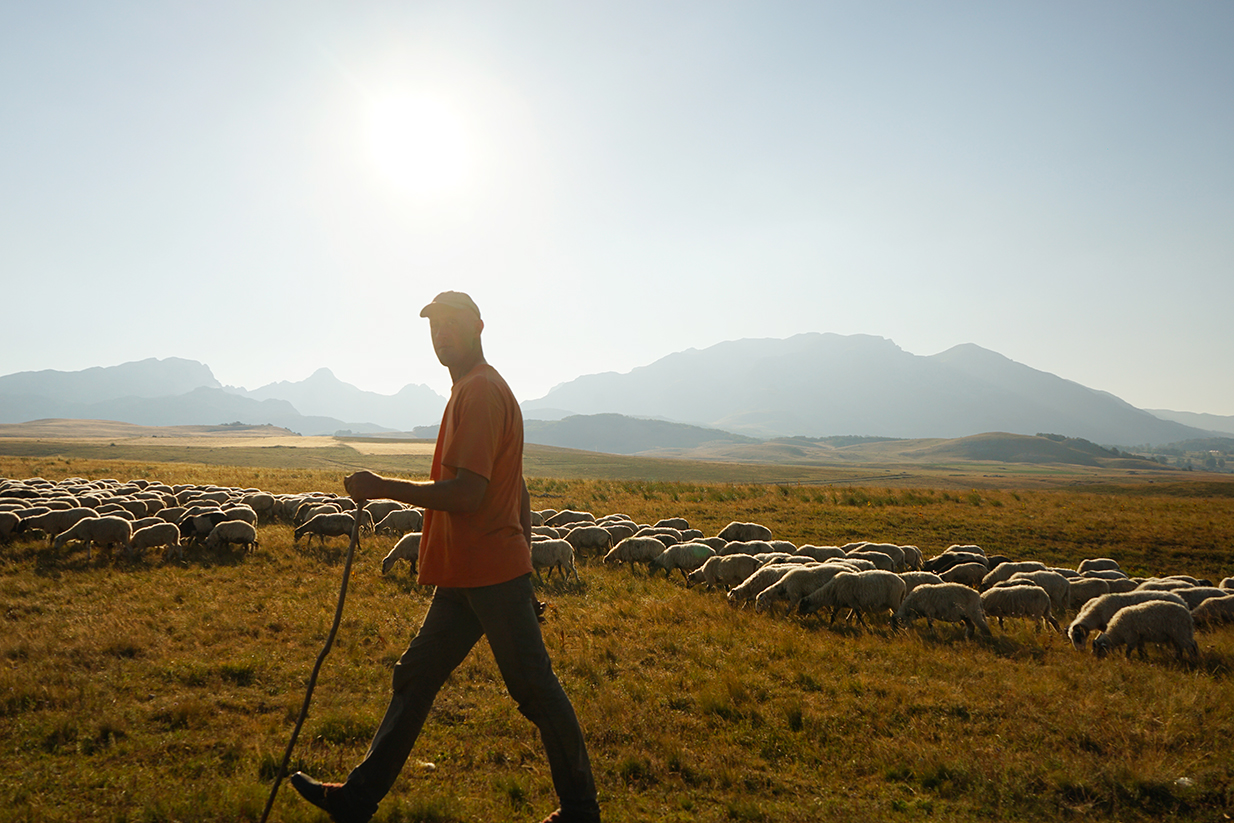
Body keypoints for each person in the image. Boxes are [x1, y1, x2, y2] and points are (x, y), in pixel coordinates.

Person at [290, 291, 600, 823]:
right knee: (415, 675)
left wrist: (383, 485)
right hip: (469, 574)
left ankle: (581, 810)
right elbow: (516, 488)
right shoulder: (473, 389)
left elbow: (468, 494)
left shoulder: (479, 393)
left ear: (479, 326)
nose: (442, 334)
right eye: (434, 326)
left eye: (452, 323)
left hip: (490, 574)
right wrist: (525, 560)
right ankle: (357, 800)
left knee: (534, 690)